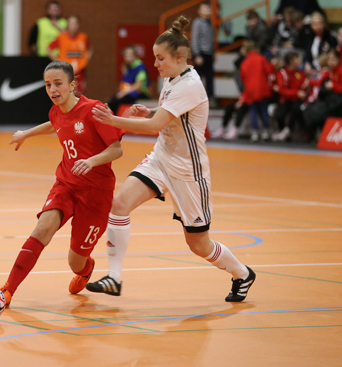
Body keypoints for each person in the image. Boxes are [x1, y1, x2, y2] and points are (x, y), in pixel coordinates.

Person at [88, 16, 256, 303]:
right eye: (155, 58)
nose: (155, 64)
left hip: (188, 173)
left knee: (198, 245)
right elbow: (168, 116)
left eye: (160, 58)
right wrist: (152, 110)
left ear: (179, 57)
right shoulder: (171, 77)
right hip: (161, 159)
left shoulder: (190, 84)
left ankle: (242, 273)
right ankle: (114, 278)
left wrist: (114, 119)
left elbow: (157, 126)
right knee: (118, 204)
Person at [0, 61, 124, 307]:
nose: (53, 89)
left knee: (75, 262)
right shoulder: (55, 111)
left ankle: (86, 269)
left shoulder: (94, 110)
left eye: (58, 84)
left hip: (96, 193)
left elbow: (117, 149)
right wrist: (26, 133)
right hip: (66, 184)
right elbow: (54, 124)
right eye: (48, 85)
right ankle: (8, 289)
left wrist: (92, 161)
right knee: (42, 230)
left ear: (72, 85)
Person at [48, 15, 93, 95]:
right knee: (63, 93)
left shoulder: (83, 37)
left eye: (75, 23)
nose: (73, 26)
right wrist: (57, 61)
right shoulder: (62, 37)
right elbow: (49, 48)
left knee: (79, 94)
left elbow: (90, 48)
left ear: (78, 25)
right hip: (65, 72)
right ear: (68, 25)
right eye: (71, 23)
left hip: (79, 72)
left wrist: (86, 59)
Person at [239, 41, 274, 142]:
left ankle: (254, 132)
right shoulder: (261, 59)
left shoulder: (245, 62)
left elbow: (242, 77)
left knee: (253, 111)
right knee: (264, 111)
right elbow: (268, 72)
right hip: (262, 89)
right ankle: (266, 132)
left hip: (250, 90)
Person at [272, 51, 308, 142]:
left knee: (297, 109)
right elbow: (282, 90)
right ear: (291, 61)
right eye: (297, 58)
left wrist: (305, 87)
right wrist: (296, 93)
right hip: (286, 99)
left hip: (297, 100)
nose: (299, 60)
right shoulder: (283, 73)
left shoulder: (300, 73)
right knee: (279, 114)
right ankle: (281, 130)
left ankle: (288, 130)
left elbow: (302, 86)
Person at [107, 45, 151, 115]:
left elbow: (137, 85)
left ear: (135, 55)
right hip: (129, 92)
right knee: (111, 101)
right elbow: (125, 83)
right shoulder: (126, 66)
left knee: (117, 102)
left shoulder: (140, 67)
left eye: (129, 55)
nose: (126, 57)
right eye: (125, 55)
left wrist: (124, 93)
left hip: (141, 93)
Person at [191, 2, 216, 107]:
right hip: (201, 54)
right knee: (198, 78)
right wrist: (197, 55)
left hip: (208, 54)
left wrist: (213, 53)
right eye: (205, 9)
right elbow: (195, 39)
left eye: (209, 9)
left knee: (210, 78)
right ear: (199, 11)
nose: (208, 12)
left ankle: (210, 98)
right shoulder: (197, 23)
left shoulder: (209, 23)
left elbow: (211, 40)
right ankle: (196, 99)